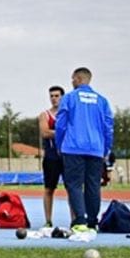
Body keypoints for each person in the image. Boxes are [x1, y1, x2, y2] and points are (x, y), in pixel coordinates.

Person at [55, 67, 113, 233]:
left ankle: (80, 220)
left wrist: (60, 144)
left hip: (73, 147)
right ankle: (93, 221)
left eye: (73, 79)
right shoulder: (102, 101)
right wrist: (106, 148)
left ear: (79, 79)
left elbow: (61, 124)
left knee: (74, 184)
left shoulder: (69, 98)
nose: (72, 82)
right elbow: (108, 127)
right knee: (93, 185)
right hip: (96, 148)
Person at [39, 85, 65, 228]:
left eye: (57, 96)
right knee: (49, 189)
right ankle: (48, 220)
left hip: (67, 157)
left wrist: (54, 131)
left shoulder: (68, 113)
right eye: (52, 96)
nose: (54, 99)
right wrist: (62, 131)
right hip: (51, 157)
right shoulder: (45, 115)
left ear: (62, 97)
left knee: (72, 189)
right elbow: (44, 132)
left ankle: (76, 219)